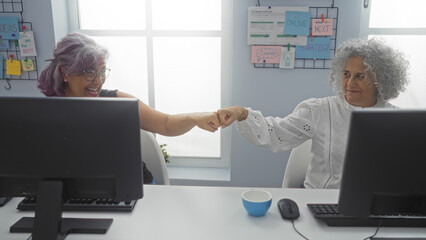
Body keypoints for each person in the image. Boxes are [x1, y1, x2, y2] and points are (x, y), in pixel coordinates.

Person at [216, 38, 409, 189]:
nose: (350, 84)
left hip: (372, 209)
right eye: (346, 74)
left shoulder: (398, 121)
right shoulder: (320, 110)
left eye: (360, 76)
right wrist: (241, 113)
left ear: (380, 80)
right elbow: (276, 133)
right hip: (318, 202)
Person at [37, 32, 221, 184]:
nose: (99, 80)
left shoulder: (117, 102)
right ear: (65, 72)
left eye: (102, 72)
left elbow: (165, 124)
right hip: (76, 195)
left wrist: (196, 118)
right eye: (90, 73)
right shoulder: (45, 114)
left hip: (135, 190)